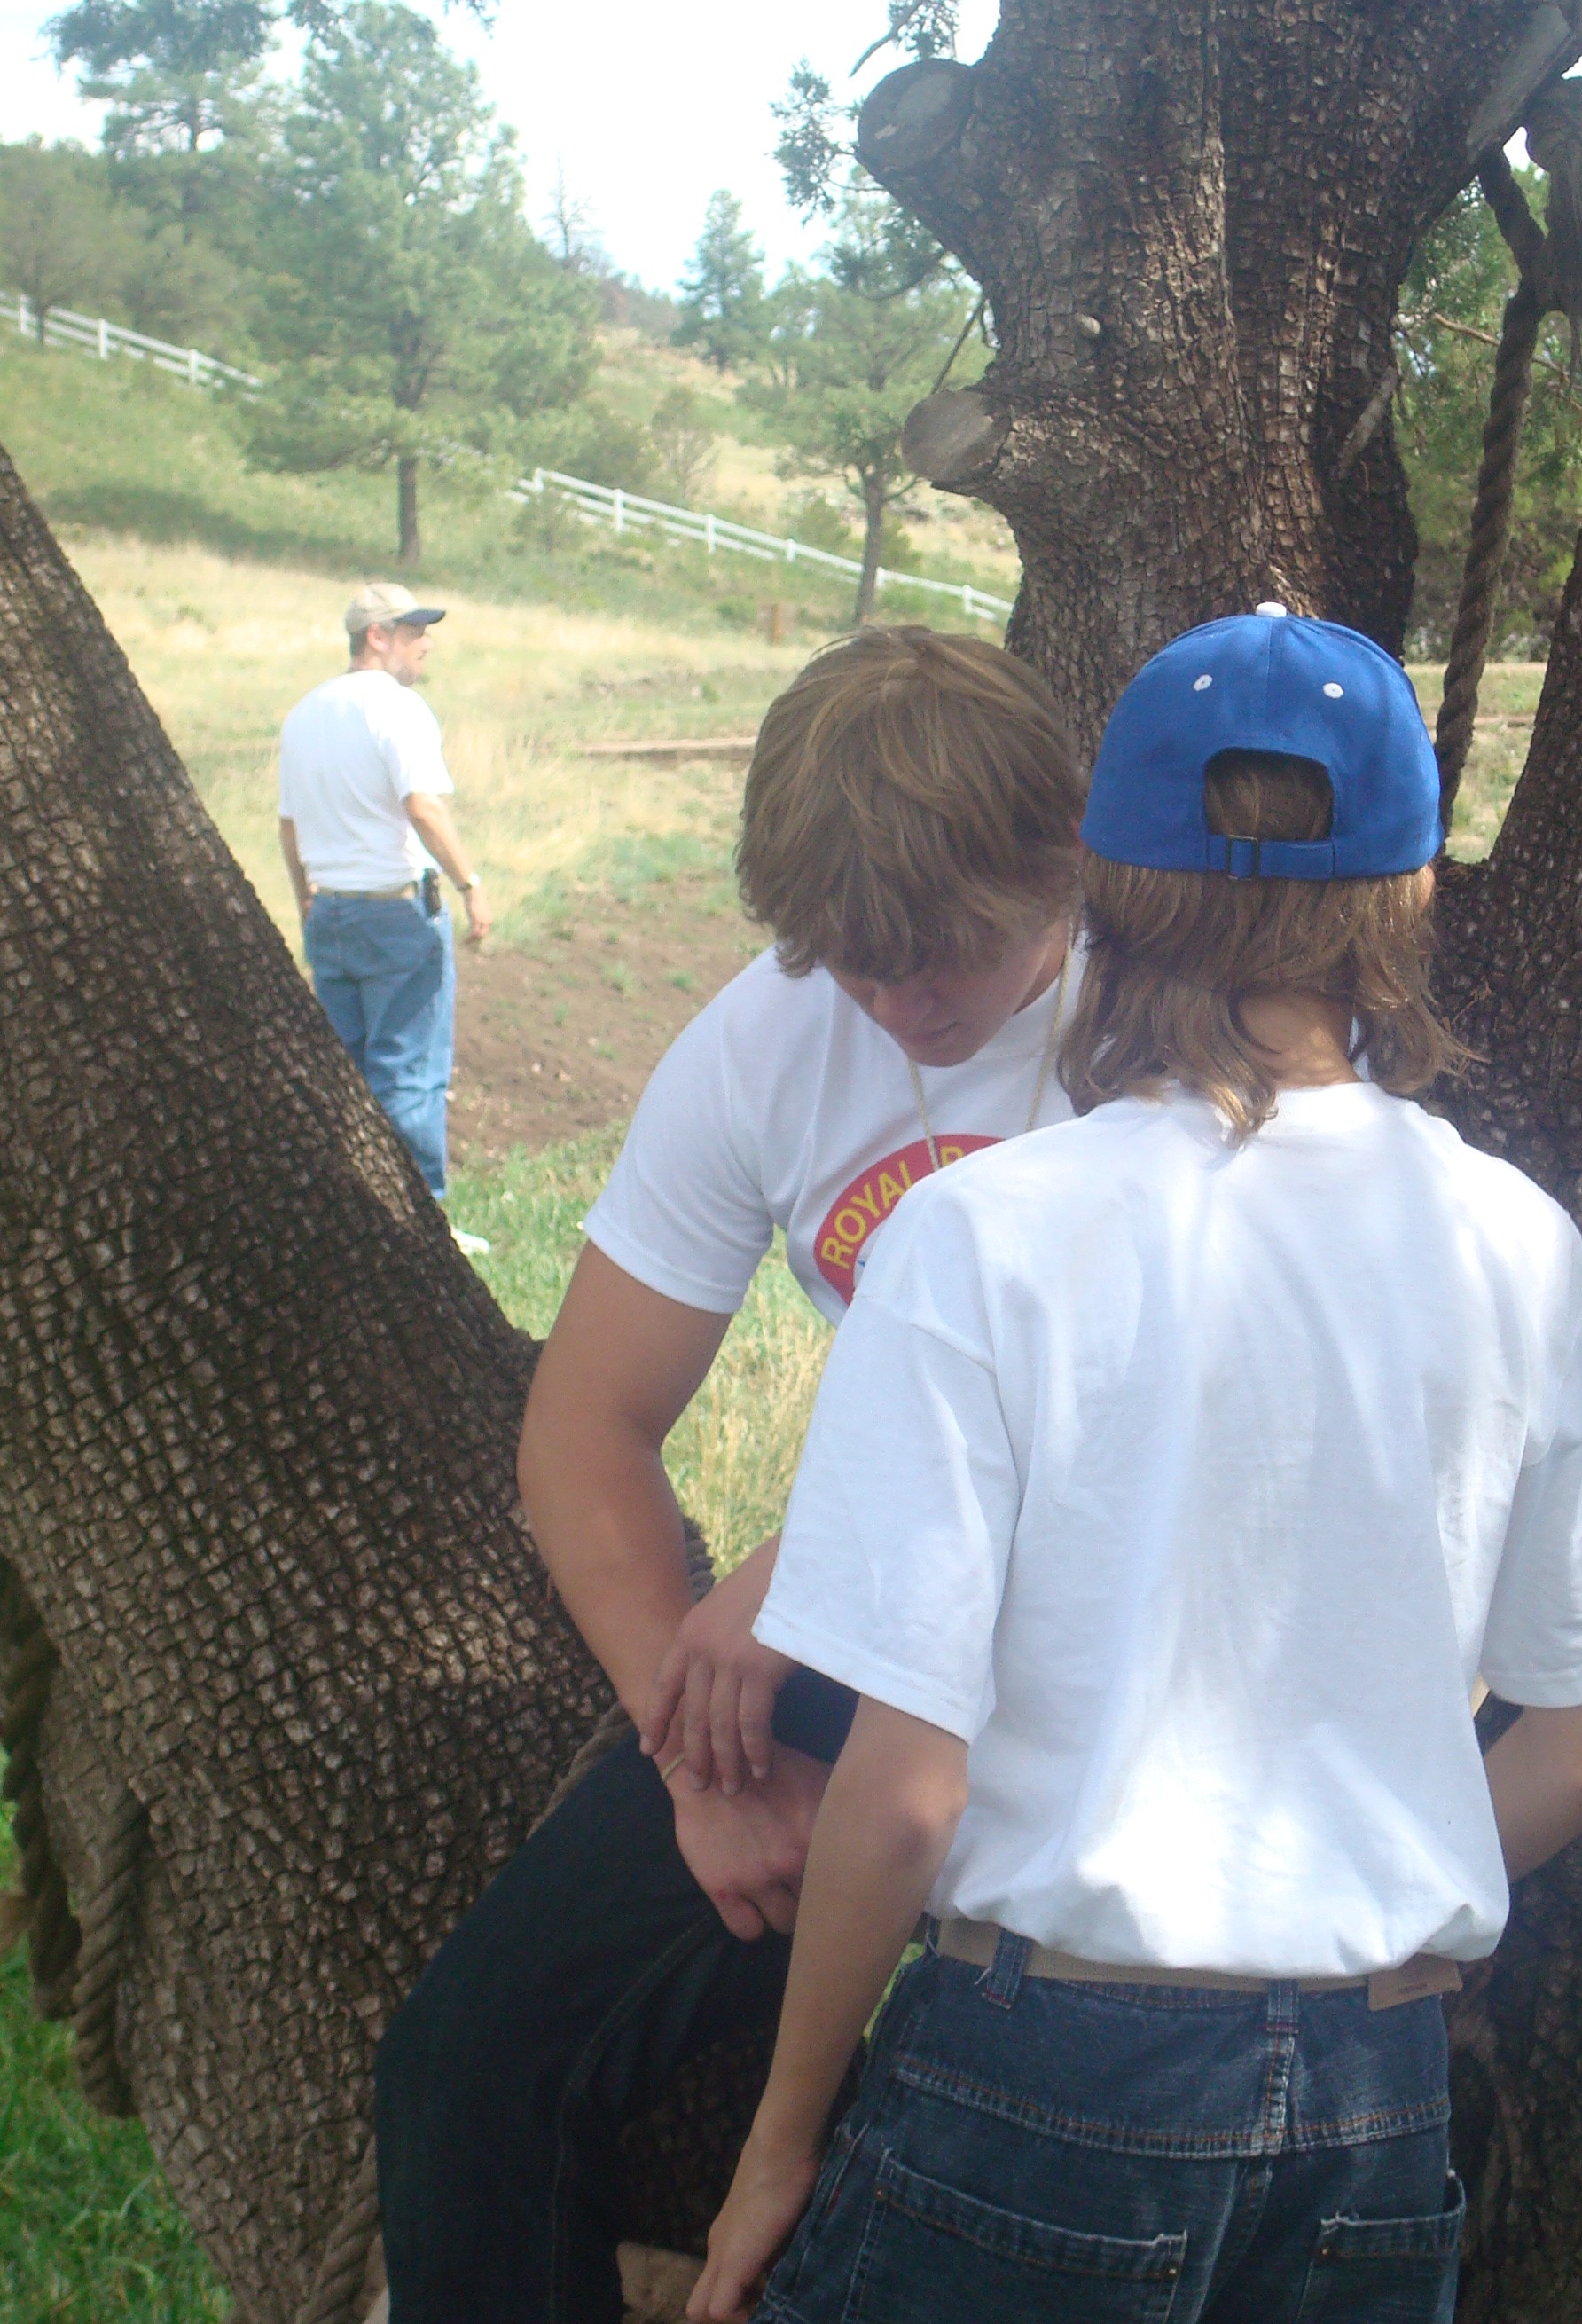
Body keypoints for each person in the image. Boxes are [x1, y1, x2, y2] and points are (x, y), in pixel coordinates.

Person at [690, 605, 1582, 2324]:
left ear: (1102, 888)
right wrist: (1332, 1912)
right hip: (1372, 2106)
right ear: (1407, 898)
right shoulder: (1510, 1242)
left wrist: (778, 2143)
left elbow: (903, 1793)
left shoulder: (979, 1240)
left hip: (1045, 2081)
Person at [373, 625, 1088, 2323]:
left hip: (1133, 1641)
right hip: (869, 1631)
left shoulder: (1172, 1009)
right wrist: (693, 1753)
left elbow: (1202, 1406)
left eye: (945, 955)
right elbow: (584, 1423)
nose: (902, 1008)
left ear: (1060, 859)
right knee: (465, 2073)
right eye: (853, 966)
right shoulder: (768, 1035)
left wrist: (807, 1556)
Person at [278, 582, 492, 1202]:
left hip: (330, 912)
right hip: (396, 915)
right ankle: (421, 1223)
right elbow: (423, 807)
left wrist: (305, 901)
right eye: (414, 632)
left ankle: (351, 1210)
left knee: (345, 1077)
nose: (426, 645)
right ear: (377, 636)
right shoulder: (398, 708)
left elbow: (289, 827)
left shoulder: (304, 713)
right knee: (408, 1076)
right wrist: (470, 884)